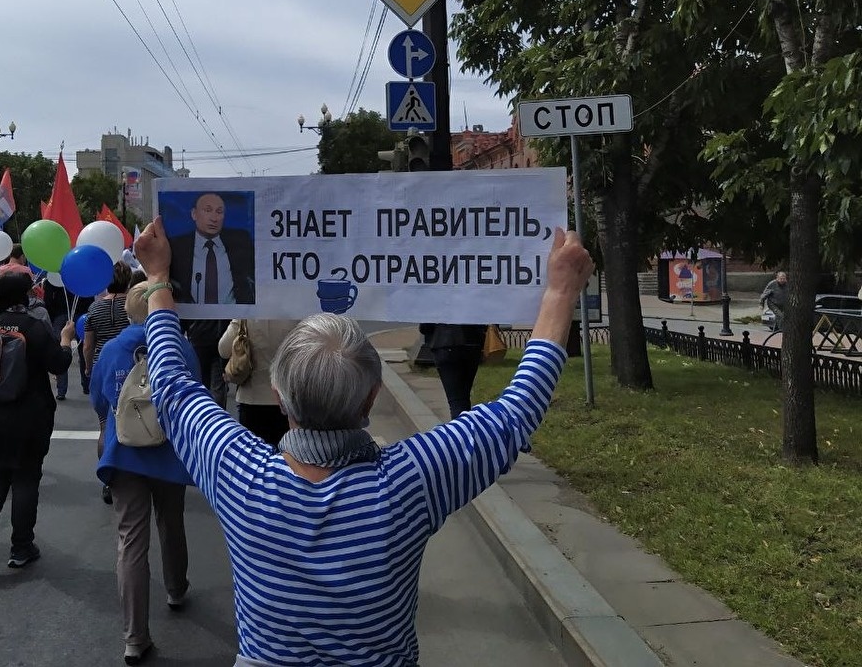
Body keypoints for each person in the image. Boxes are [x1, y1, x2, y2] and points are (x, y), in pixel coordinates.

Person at [134, 216, 594, 666]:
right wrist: (558, 293)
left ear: (279, 399)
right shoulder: (408, 484)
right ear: (372, 397)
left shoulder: (243, 477)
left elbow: (172, 387)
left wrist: (158, 279)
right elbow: (516, 411)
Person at [91, 281, 198, 664]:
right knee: (172, 522)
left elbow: (99, 400)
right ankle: (176, 587)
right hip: (169, 451)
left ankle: (134, 636)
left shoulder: (114, 348)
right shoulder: (179, 346)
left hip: (124, 455)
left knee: (130, 541)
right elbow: (196, 392)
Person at [0, 273, 72, 570]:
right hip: (30, 416)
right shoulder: (35, 327)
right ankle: (21, 546)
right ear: (24, 296)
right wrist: (65, 341)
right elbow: (59, 364)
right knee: (26, 477)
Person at [218, 318, 301, 446]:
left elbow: (223, 350)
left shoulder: (246, 317)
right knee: (287, 457)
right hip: (286, 398)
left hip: (251, 398)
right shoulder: (295, 315)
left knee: (253, 457)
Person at [169, 192, 255, 304]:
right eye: (208, 210)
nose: (214, 218)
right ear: (194, 214)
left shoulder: (241, 241)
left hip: (233, 318)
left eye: (219, 212)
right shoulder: (177, 246)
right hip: (189, 319)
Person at [83, 262, 133, 391]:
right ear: (128, 281)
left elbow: (88, 346)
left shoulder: (94, 308)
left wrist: (88, 367)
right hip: (129, 364)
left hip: (101, 363)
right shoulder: (133, 305)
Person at [421, 322, 487, 417]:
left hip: (444, 344)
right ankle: (466, 427)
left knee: (457, 401)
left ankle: (460, 429)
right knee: (464, 397)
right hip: (472, 343)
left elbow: (425, 327)